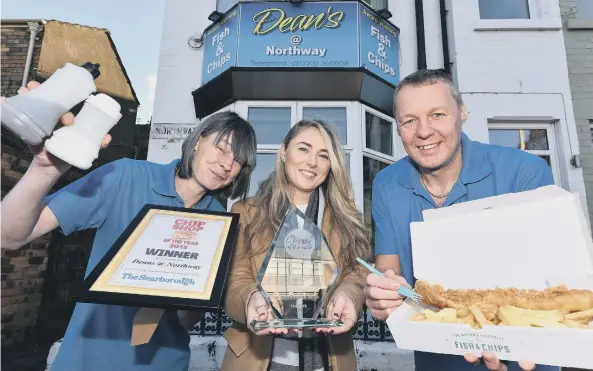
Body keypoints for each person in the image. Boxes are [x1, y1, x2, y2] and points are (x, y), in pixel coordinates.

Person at [0, 82, 257, 371]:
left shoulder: (216, 219)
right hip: (87, 360)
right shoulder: (124, 176)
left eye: (237, 160)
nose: (226, 164)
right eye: (221, 148)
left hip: (165, 362)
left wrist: (191, 284)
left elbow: (187, 318)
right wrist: (42, 170)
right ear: (199, 140)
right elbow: (8, 236)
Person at [363, 69, 559, 371]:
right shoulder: (386, 184)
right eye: (409, 121)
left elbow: (551, 280)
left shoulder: (525, 172)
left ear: (462, 112)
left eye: (438, 114)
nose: (424, 132)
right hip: (436, 359)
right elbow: (389, 271)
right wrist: (383, 296)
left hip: (524, 357)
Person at [221, 119, 370, 371]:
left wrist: (348, 295)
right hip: (255, 359)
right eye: (303, 148)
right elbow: (235, 279)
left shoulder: (346, 219)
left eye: (323, 155)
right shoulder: (246, 211)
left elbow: (358, 273)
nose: (312, 162)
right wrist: (251, 298)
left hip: (328, 359)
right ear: (283, 151)